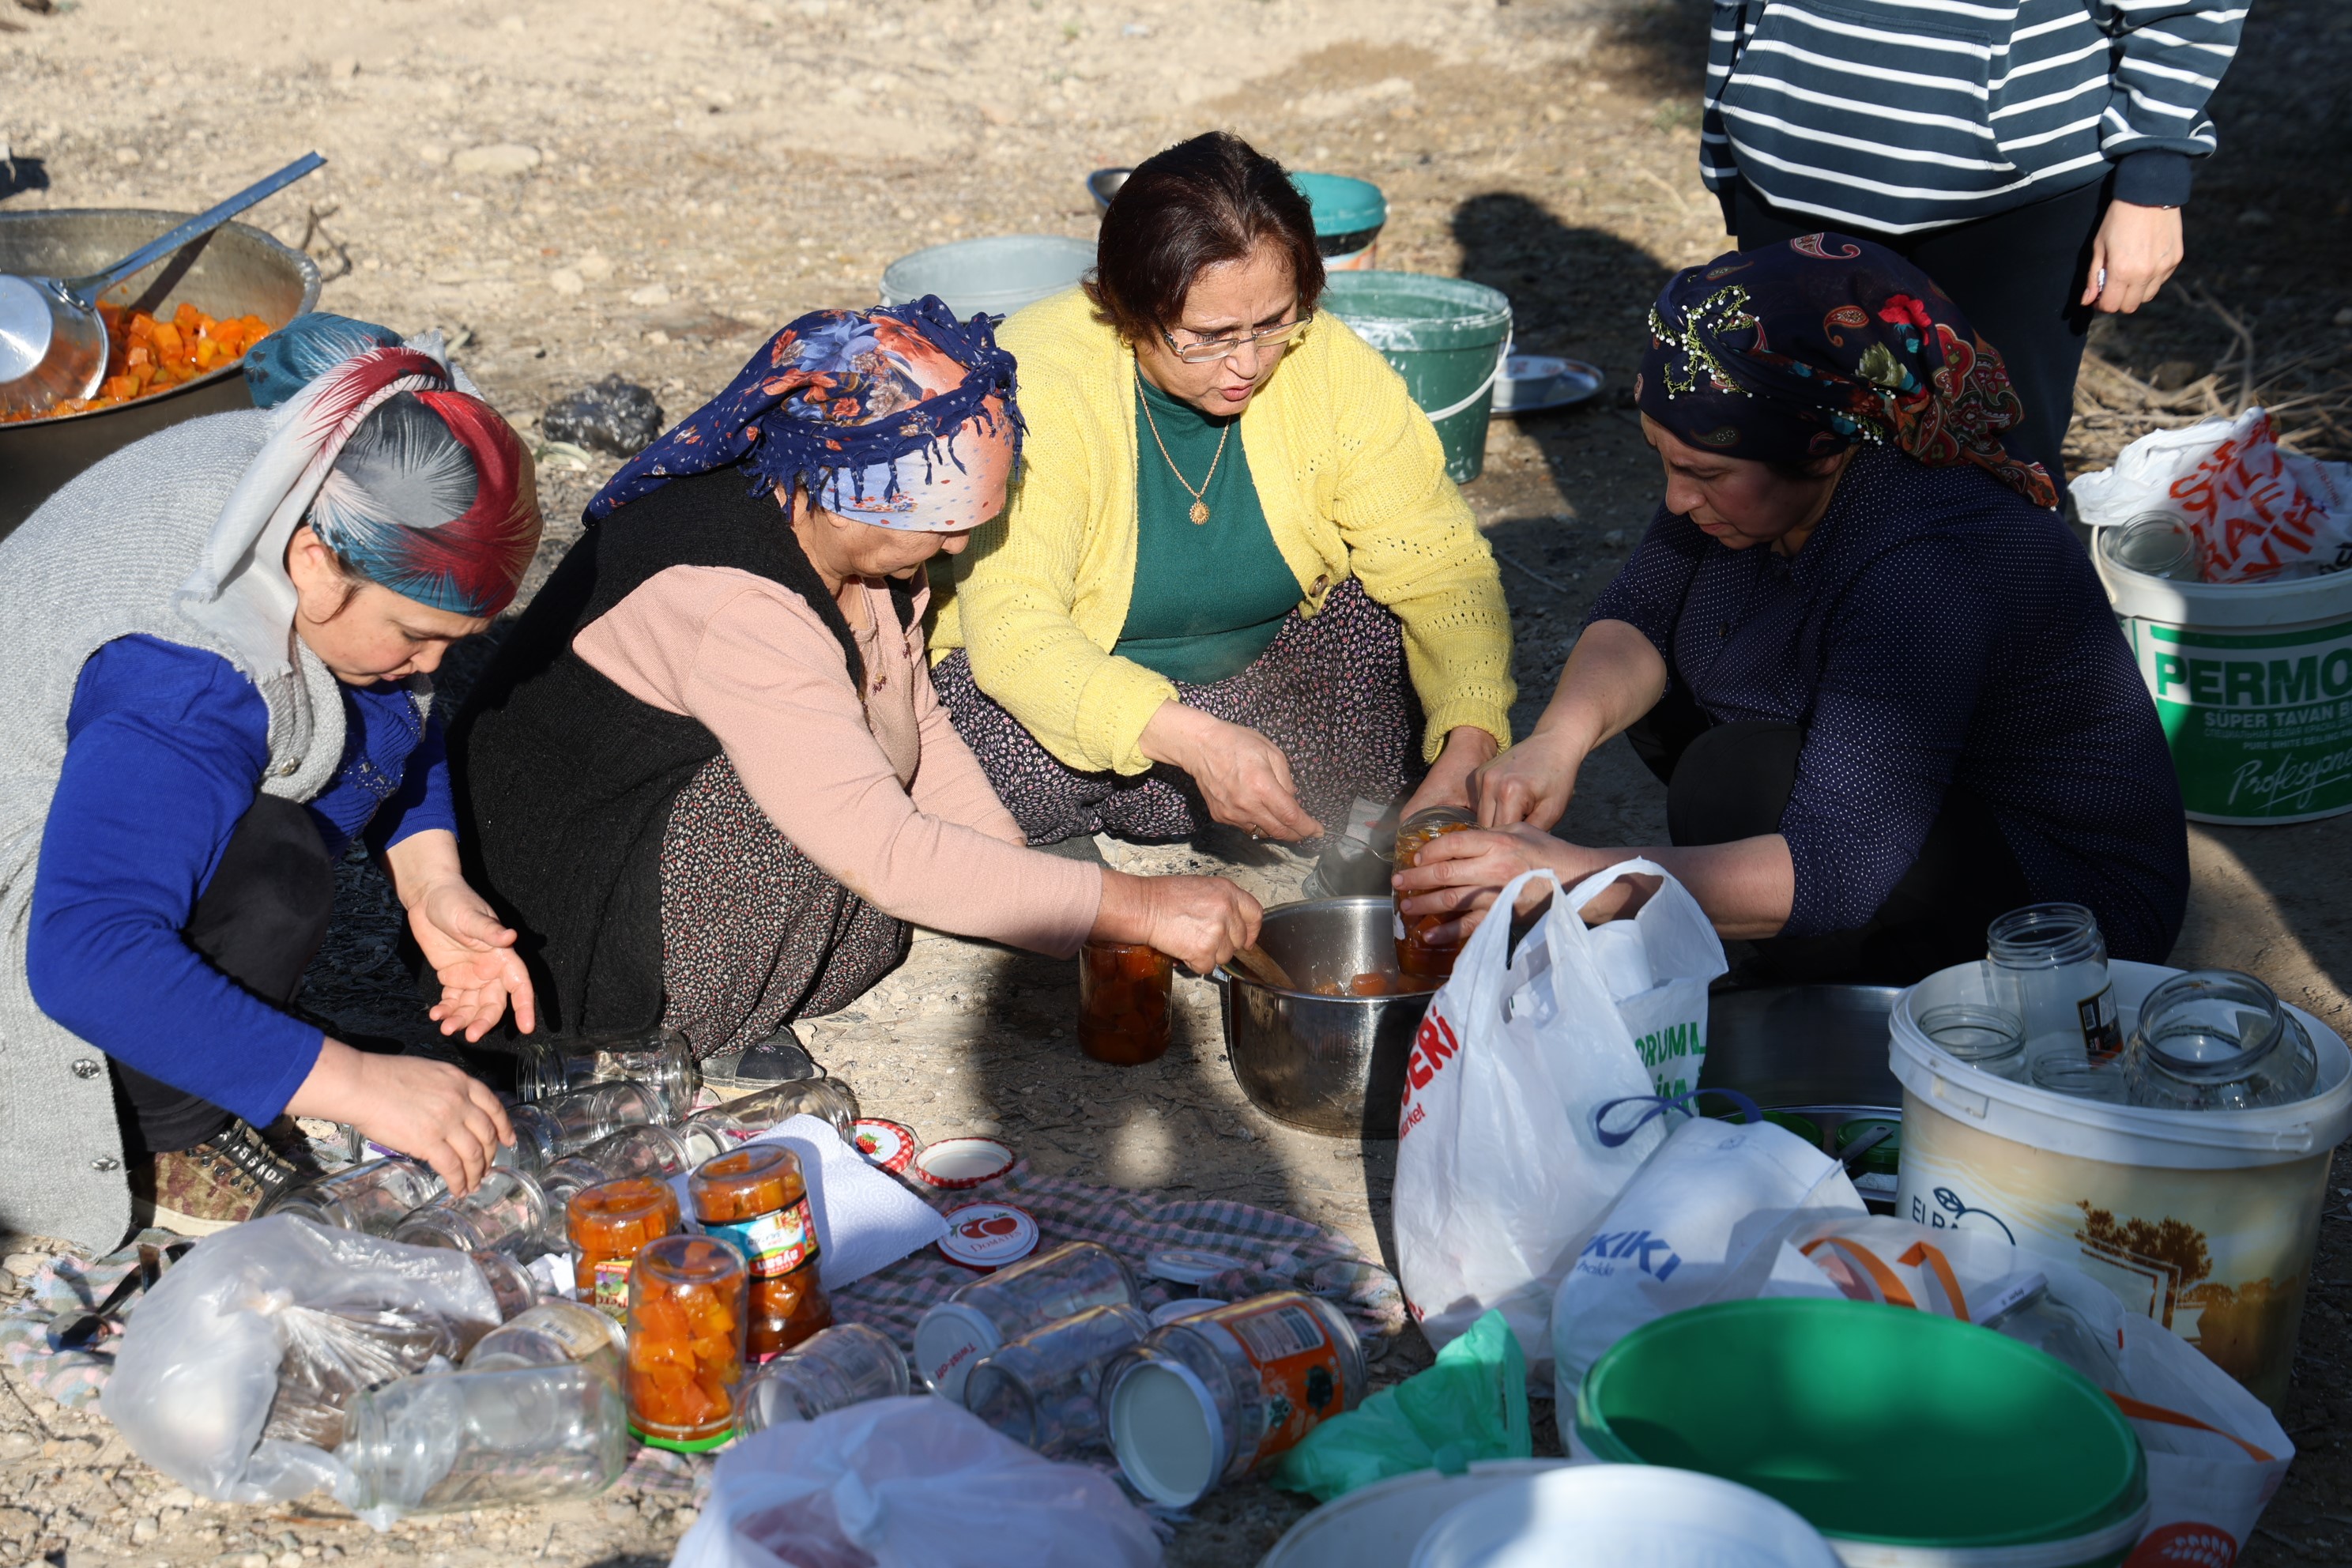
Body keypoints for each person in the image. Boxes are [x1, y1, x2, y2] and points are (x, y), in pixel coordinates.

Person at [451, 300, 1261, 1084]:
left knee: (882, 764)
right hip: (564, 942)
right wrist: (1133, 907)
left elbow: (919, 718)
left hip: (658, 877)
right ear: (849, 485)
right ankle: (659, 1035)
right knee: (814, 798)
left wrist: (1022, 885)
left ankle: (756, 993)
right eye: (942, 517)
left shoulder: (858, 548)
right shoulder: (733, 594)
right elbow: (884, 848)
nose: (958, 542)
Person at [1395, 239, 2191, 983]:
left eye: (1702, 472)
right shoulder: (1754, 468)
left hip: (2059, 912)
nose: (1677, 499)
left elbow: (1836, 868)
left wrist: (1573, 878)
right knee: (1665, 700)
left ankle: (1848, 984)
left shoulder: (1930, 562)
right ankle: (1768, 930)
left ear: (1825, 444)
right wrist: (1556, 743)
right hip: (1913, 817)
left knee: (1734, 780)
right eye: (1664, 462)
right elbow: (1636, 613)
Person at [0, 316, 539, 1248]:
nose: (430, 669)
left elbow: (396, 715)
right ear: (314, 568)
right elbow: (85, 953)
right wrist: (358, 1084)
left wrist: (430, 882)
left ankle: (213, 1060)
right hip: (30, 938)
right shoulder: (189, 681)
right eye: (419, 634)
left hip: (105, 806)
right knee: (277, 865)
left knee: (332, 739)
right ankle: (169, 1134)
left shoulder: (316, 472)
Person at [929, 131, 1515, 846]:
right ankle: (1131, 819)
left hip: (1260, 689)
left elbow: (1442, 567)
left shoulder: (1325, 364)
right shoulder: (1044, 381)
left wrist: (1467, 748)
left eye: (1273, 323)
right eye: (1206, 336)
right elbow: (1017, 632)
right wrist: (1197, 742)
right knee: (985, 738)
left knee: (1399, 643)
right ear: (1126, 307)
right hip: (1099, 705)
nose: (1246, 364)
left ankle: (1225, 801)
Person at [1698, 0, 2245, 502]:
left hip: (2017, 196)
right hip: (1786, 158)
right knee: (1786, 476)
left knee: (1998, 481)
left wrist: (2155, 172)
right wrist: (1723, 140)